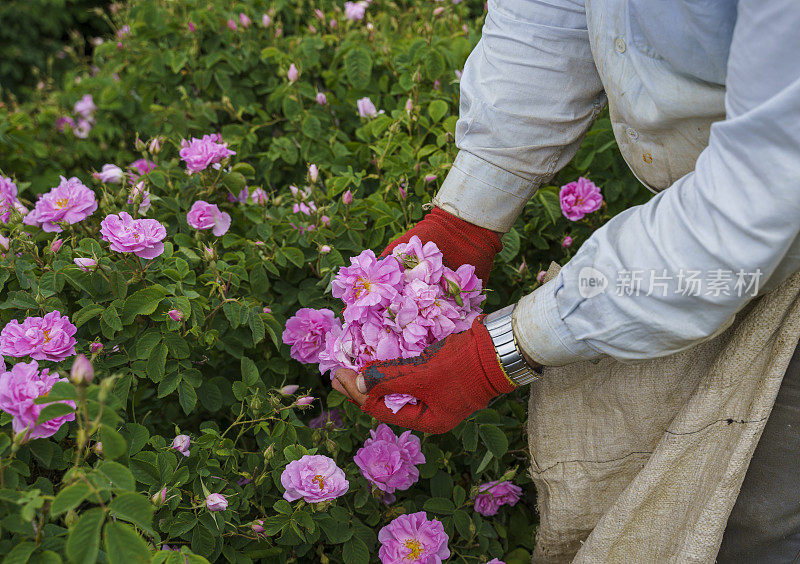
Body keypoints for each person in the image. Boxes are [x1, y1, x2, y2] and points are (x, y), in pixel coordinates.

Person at [333, 0, 800, 561]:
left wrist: (495, 354)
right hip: (721, 225)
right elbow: (547, 19)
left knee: (754, 518)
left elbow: (748, 206)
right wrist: (463, 222)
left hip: (760, 214)